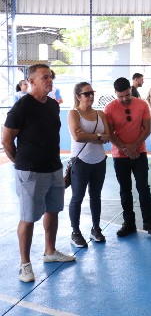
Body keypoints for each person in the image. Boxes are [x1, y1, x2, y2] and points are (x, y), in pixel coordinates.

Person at [2, 64, 76, 283]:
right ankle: (25, 264)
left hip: (54, 168)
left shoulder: (52, 105)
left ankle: (50, 251)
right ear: (32, 81)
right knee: (28, 217)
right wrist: (21, 164)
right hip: (30, 171)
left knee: (53, 210)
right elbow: (6, 140)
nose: (49, 80)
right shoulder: (22, 107)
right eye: (45, 77)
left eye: (50, 77)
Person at [104, 77, 151, 237]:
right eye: (120, 96)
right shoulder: (109, 108)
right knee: (125, 190)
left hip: (139, 154)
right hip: (119, 156)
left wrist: (134, 147)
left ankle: (149, 222)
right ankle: (129, 224)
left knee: (143, 188)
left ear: (131, 90)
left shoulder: (142, 104)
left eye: (127, 95)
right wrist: (125, 149)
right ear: (115, 93)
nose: (124, 99)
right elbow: (111, 133)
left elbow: (147, 129)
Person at [67, 82, 111, 247]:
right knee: (77, 197)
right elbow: (78, 137)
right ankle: (75, 232)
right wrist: (99, 136)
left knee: (96, 196)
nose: (91, 96)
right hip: (80, 161)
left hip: (99, 160)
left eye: (92, 93)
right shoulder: (73, 113)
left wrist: (92, 136)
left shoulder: (100, 113)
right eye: (87, 94)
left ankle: (96, 229)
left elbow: (107, 136)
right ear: (78, 96)